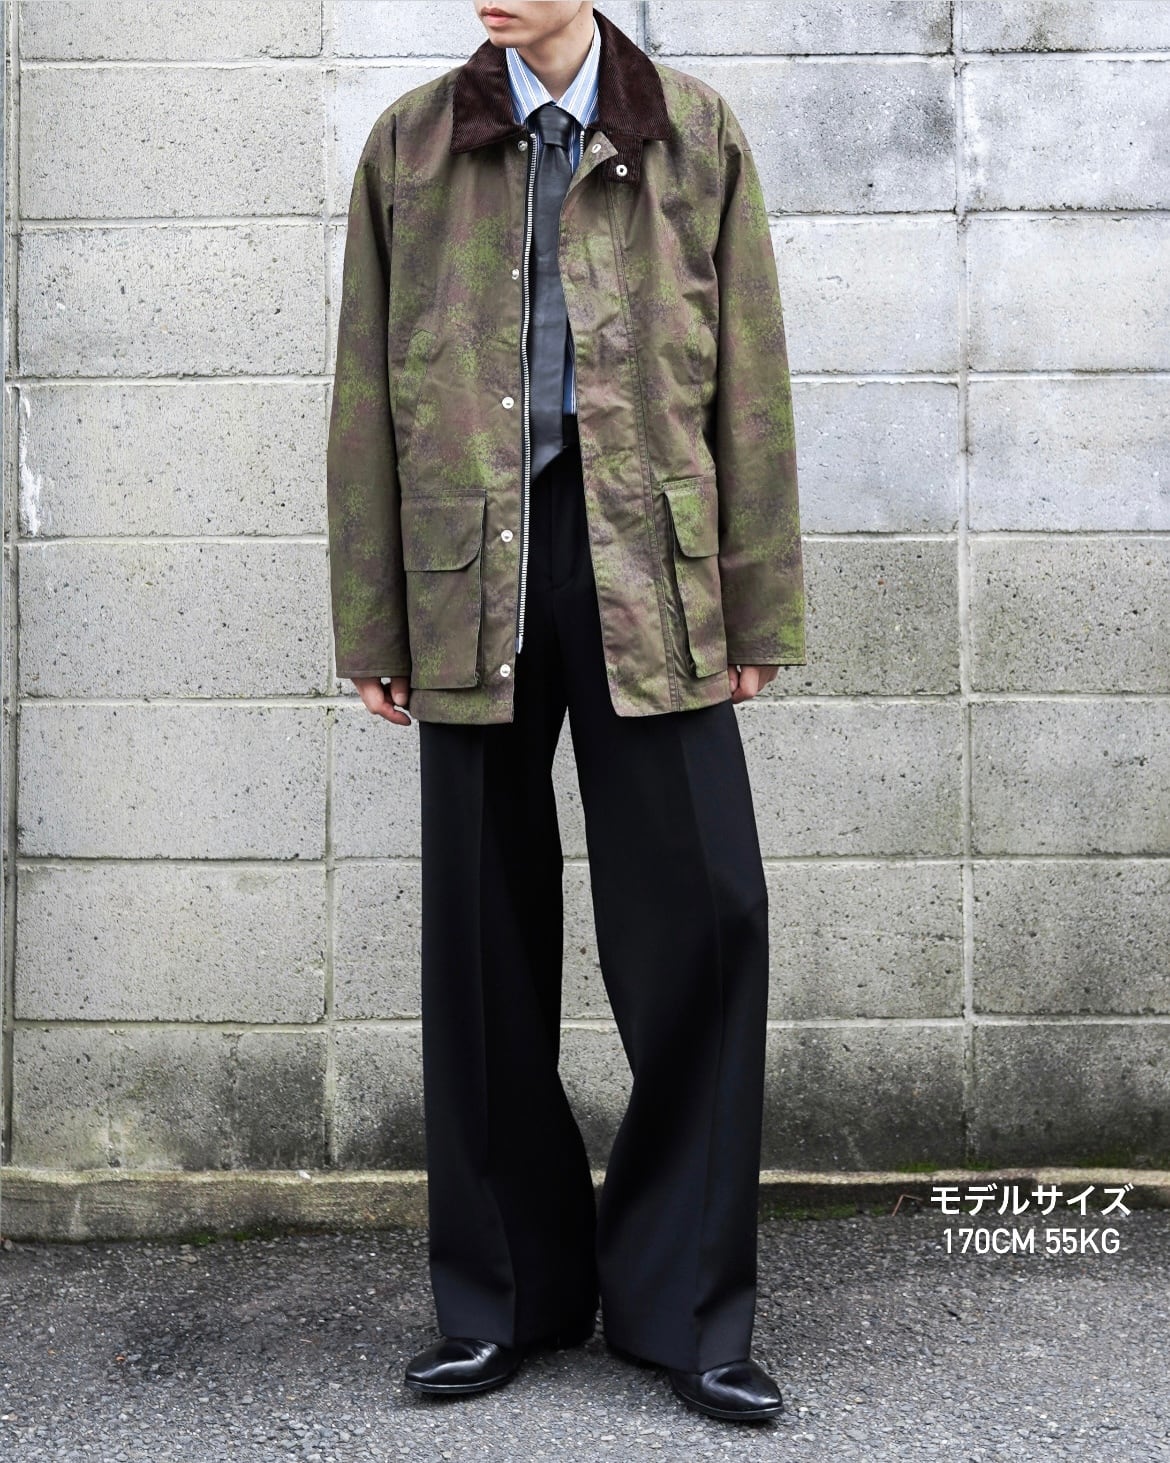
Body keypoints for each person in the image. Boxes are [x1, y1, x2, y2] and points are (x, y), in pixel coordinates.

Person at [326, 0, 806, 1426]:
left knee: (705, 920)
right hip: (471, 573)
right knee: (481, 937)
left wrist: (755, 605)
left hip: (643, 569)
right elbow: (365, 388)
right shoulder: (413, 143)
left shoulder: (692, 134)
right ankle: (504, 1297)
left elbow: (751, 379)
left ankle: (688, 1309)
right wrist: (374, 617)